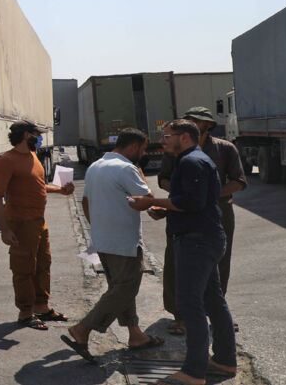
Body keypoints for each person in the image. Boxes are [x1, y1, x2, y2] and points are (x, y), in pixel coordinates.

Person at [129, 120, 237, 385]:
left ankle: (193, 372)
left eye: (167, 136)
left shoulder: (192, 162)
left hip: (197, 242)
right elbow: (194, 202)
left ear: (185, 137)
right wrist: (165, 209)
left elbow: (192, 202)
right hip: (201, 237)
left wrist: (151, 201)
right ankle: (224, 361)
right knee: (213, 301)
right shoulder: (190, 160)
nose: (162, 140)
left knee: (190, 305)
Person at [60, 129, 164, 363]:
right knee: (125, 288)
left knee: (120, 289)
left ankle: (135, 335)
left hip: (103, 240)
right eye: (144, 148)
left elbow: (85, 201)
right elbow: (147, 200)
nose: (145, 153)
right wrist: (157, 201)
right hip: (123, 241)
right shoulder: (127, 168)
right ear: (135, 146)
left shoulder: (96, 165)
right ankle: (83, 329)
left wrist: (97, 229)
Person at [158, 107, 246, 335]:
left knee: (219, 263)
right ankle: (181, 315)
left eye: (195, 121)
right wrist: (183, 195)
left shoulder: (225, 148)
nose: (189, 124)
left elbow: (239, 181)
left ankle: (217, 313)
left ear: (207, 125)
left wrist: (207, 194)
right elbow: (163, 179)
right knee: (177, 261)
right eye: (187, 120)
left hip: (218, 212)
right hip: (183, 213)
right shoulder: (174, 151)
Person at [0, 121, 75, 330]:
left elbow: (38, 185)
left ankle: (42, 307)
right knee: (23, 268)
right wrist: (5, 230)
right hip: (21, 223)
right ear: (26, 135)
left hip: (39, 221)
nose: (39, 139)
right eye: (37, 135)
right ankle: (25, 313)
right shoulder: (7, 161)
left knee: (43, 264)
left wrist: (60, 190)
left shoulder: (33, 156)